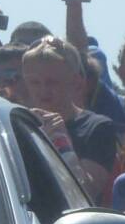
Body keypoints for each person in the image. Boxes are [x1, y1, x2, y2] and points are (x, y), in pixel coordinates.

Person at [21, 37, 117, 199]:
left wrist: (63, 145)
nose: (43, 90)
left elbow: (88, 192)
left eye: (52, 82)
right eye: (35, 82)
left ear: (76, 83)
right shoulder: (18, 124)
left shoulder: (97, 127)